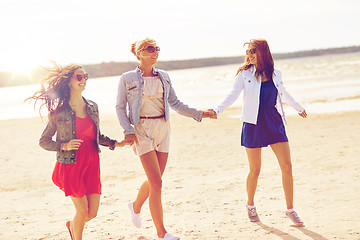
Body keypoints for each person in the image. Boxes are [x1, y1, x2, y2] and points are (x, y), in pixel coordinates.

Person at [116, 38, 213, 240]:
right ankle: (162, 233)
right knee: (157, 183)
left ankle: (135, 206)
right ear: (139, 53)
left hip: (164, 128)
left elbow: (175, 103)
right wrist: (127, 130)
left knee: (156, 179)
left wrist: (199, 113)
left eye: (157, 49)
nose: (155, 52)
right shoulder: (127, 78)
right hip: (141, 129)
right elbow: (120, 107)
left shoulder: (165, 76)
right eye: (150, 49)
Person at [211, 39, 307, 226]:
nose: (250, 54)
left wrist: (298, 107)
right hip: (253, 123)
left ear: (263, 52)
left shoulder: (276, 73)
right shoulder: (244, 74)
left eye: (253, 50)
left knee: (287, 166)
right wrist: (217, 110)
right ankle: (250, 205)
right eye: (248, 51)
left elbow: (284, 93)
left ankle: (290, 209)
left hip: (273, 120)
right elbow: (232, 94)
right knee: (255, 170)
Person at [26, 62, 127, 240]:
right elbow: (44, 141)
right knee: (81, 211)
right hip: (71, 164)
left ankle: (72, 226)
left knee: (92, 213)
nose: (83, 80)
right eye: (79, 77)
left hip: (92, 162)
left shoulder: (93, 107)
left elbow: (96, 135)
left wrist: (116, 143)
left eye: (85, 76)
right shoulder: (59, 112)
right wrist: (63, 146)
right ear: (69, 82)